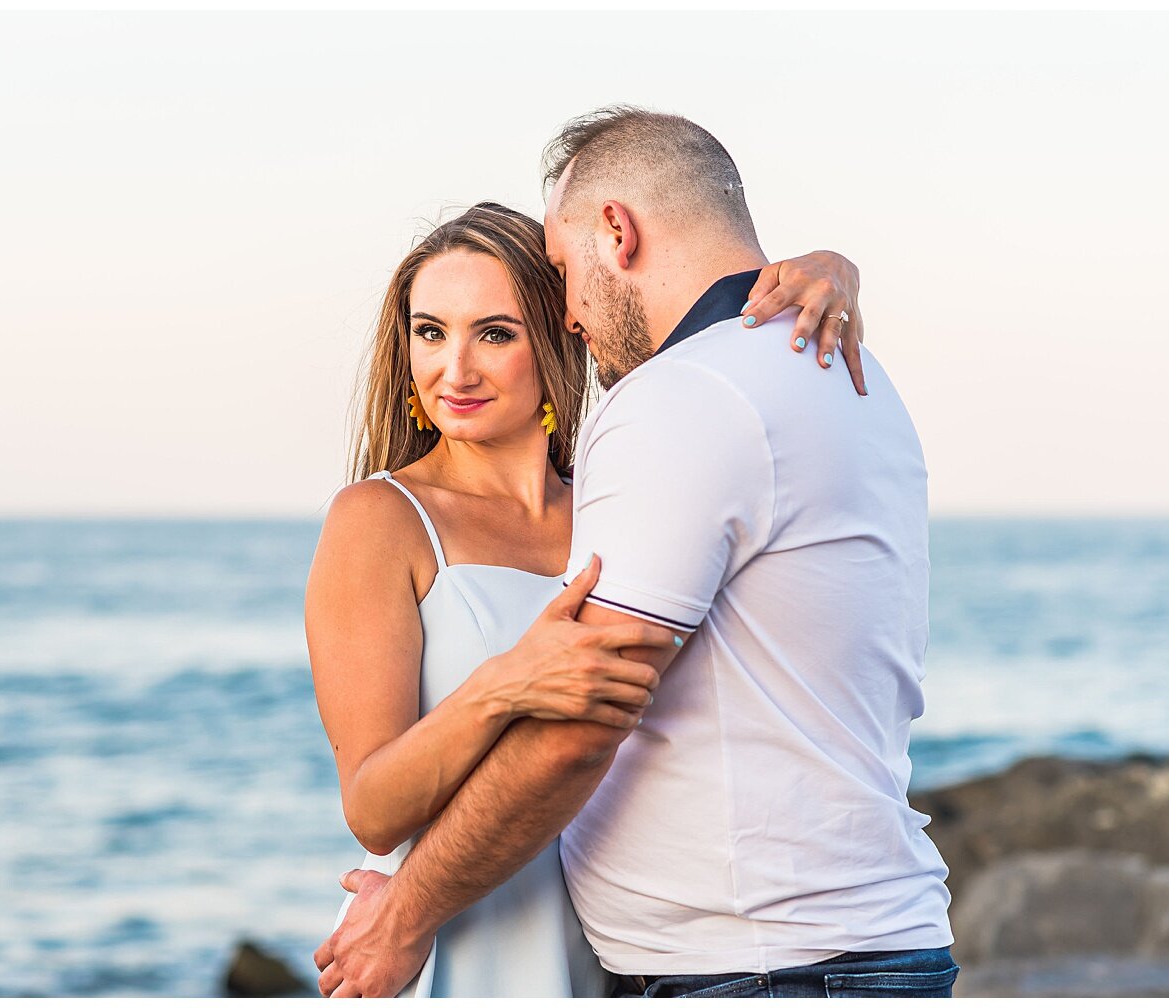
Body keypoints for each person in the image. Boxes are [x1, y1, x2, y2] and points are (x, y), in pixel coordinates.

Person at [313, 106, 956, 999]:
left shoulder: (644, 461)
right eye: (430, 331)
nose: (454, 367)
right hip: (546, 938)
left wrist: (832, 267)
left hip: (705, 959)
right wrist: (504, 685)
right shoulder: (382, 520)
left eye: (496, 330)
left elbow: (587, 731)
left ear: (556, 328)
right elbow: (374, 808)